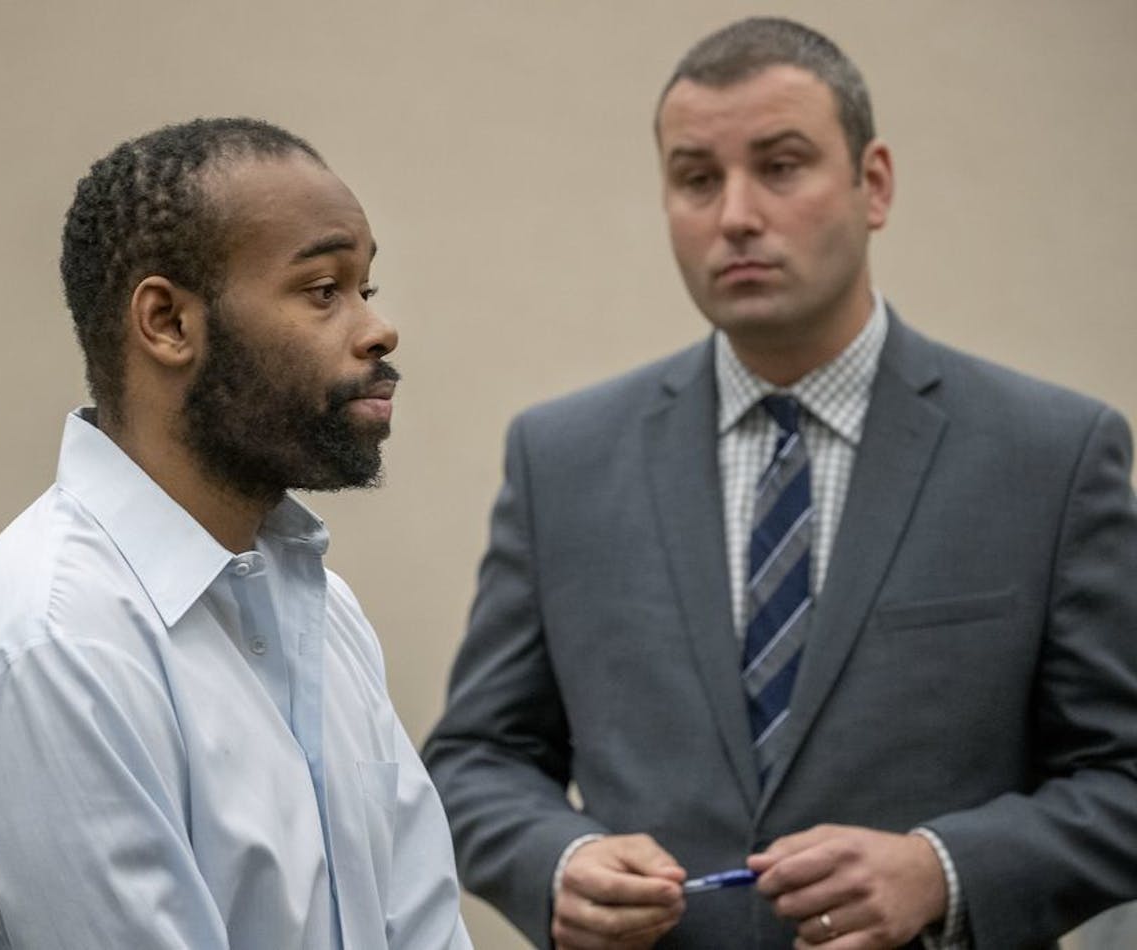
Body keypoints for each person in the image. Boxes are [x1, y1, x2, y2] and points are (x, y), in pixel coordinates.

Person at [423, 17, 1137, 950]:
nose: (736, 216)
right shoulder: (562, 460)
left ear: (872, 184)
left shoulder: (1051, 455)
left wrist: (943, 870)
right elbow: (478, 757)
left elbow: (1122, 778)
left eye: (782, 165)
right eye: (696, 178)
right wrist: (557, 861)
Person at [0, 118, 472, 949]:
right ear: (167, 323)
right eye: (324, 290)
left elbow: (422, 926)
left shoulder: (320, 604)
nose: (376, 330)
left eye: (367, 290)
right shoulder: (53, 641)